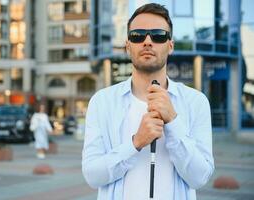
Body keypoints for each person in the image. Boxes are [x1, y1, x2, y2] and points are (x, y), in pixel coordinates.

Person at [82, 3, 214, 200]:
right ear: (128, 46)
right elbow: (92, 176)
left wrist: (173, 121)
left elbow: (200, 178)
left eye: (158, 35)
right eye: (138, 36)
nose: (147, 41)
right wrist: (136, 143)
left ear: (170, 45)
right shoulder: (102, 102)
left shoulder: (196, 102)